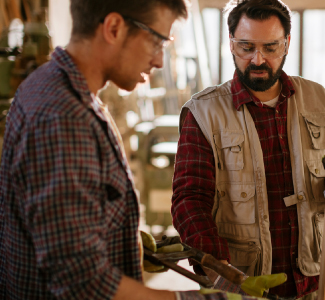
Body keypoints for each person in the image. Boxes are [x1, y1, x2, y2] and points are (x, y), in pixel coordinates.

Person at [0, 1, 258, 299]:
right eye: (157, 41)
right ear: (113, 28)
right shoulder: (64, 118)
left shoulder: (51, 85)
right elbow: (81, 284)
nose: (160, 60)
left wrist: (120, 240)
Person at [170, 0, 325, 299]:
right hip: (243, 283)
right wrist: (220, 271)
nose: (258, 60)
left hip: (313, 280)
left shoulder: (319, 100)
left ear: (287, 44)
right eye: (246, 47)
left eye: (270, 47)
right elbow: (190, 199)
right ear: (230, 44)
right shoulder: (204, 112)